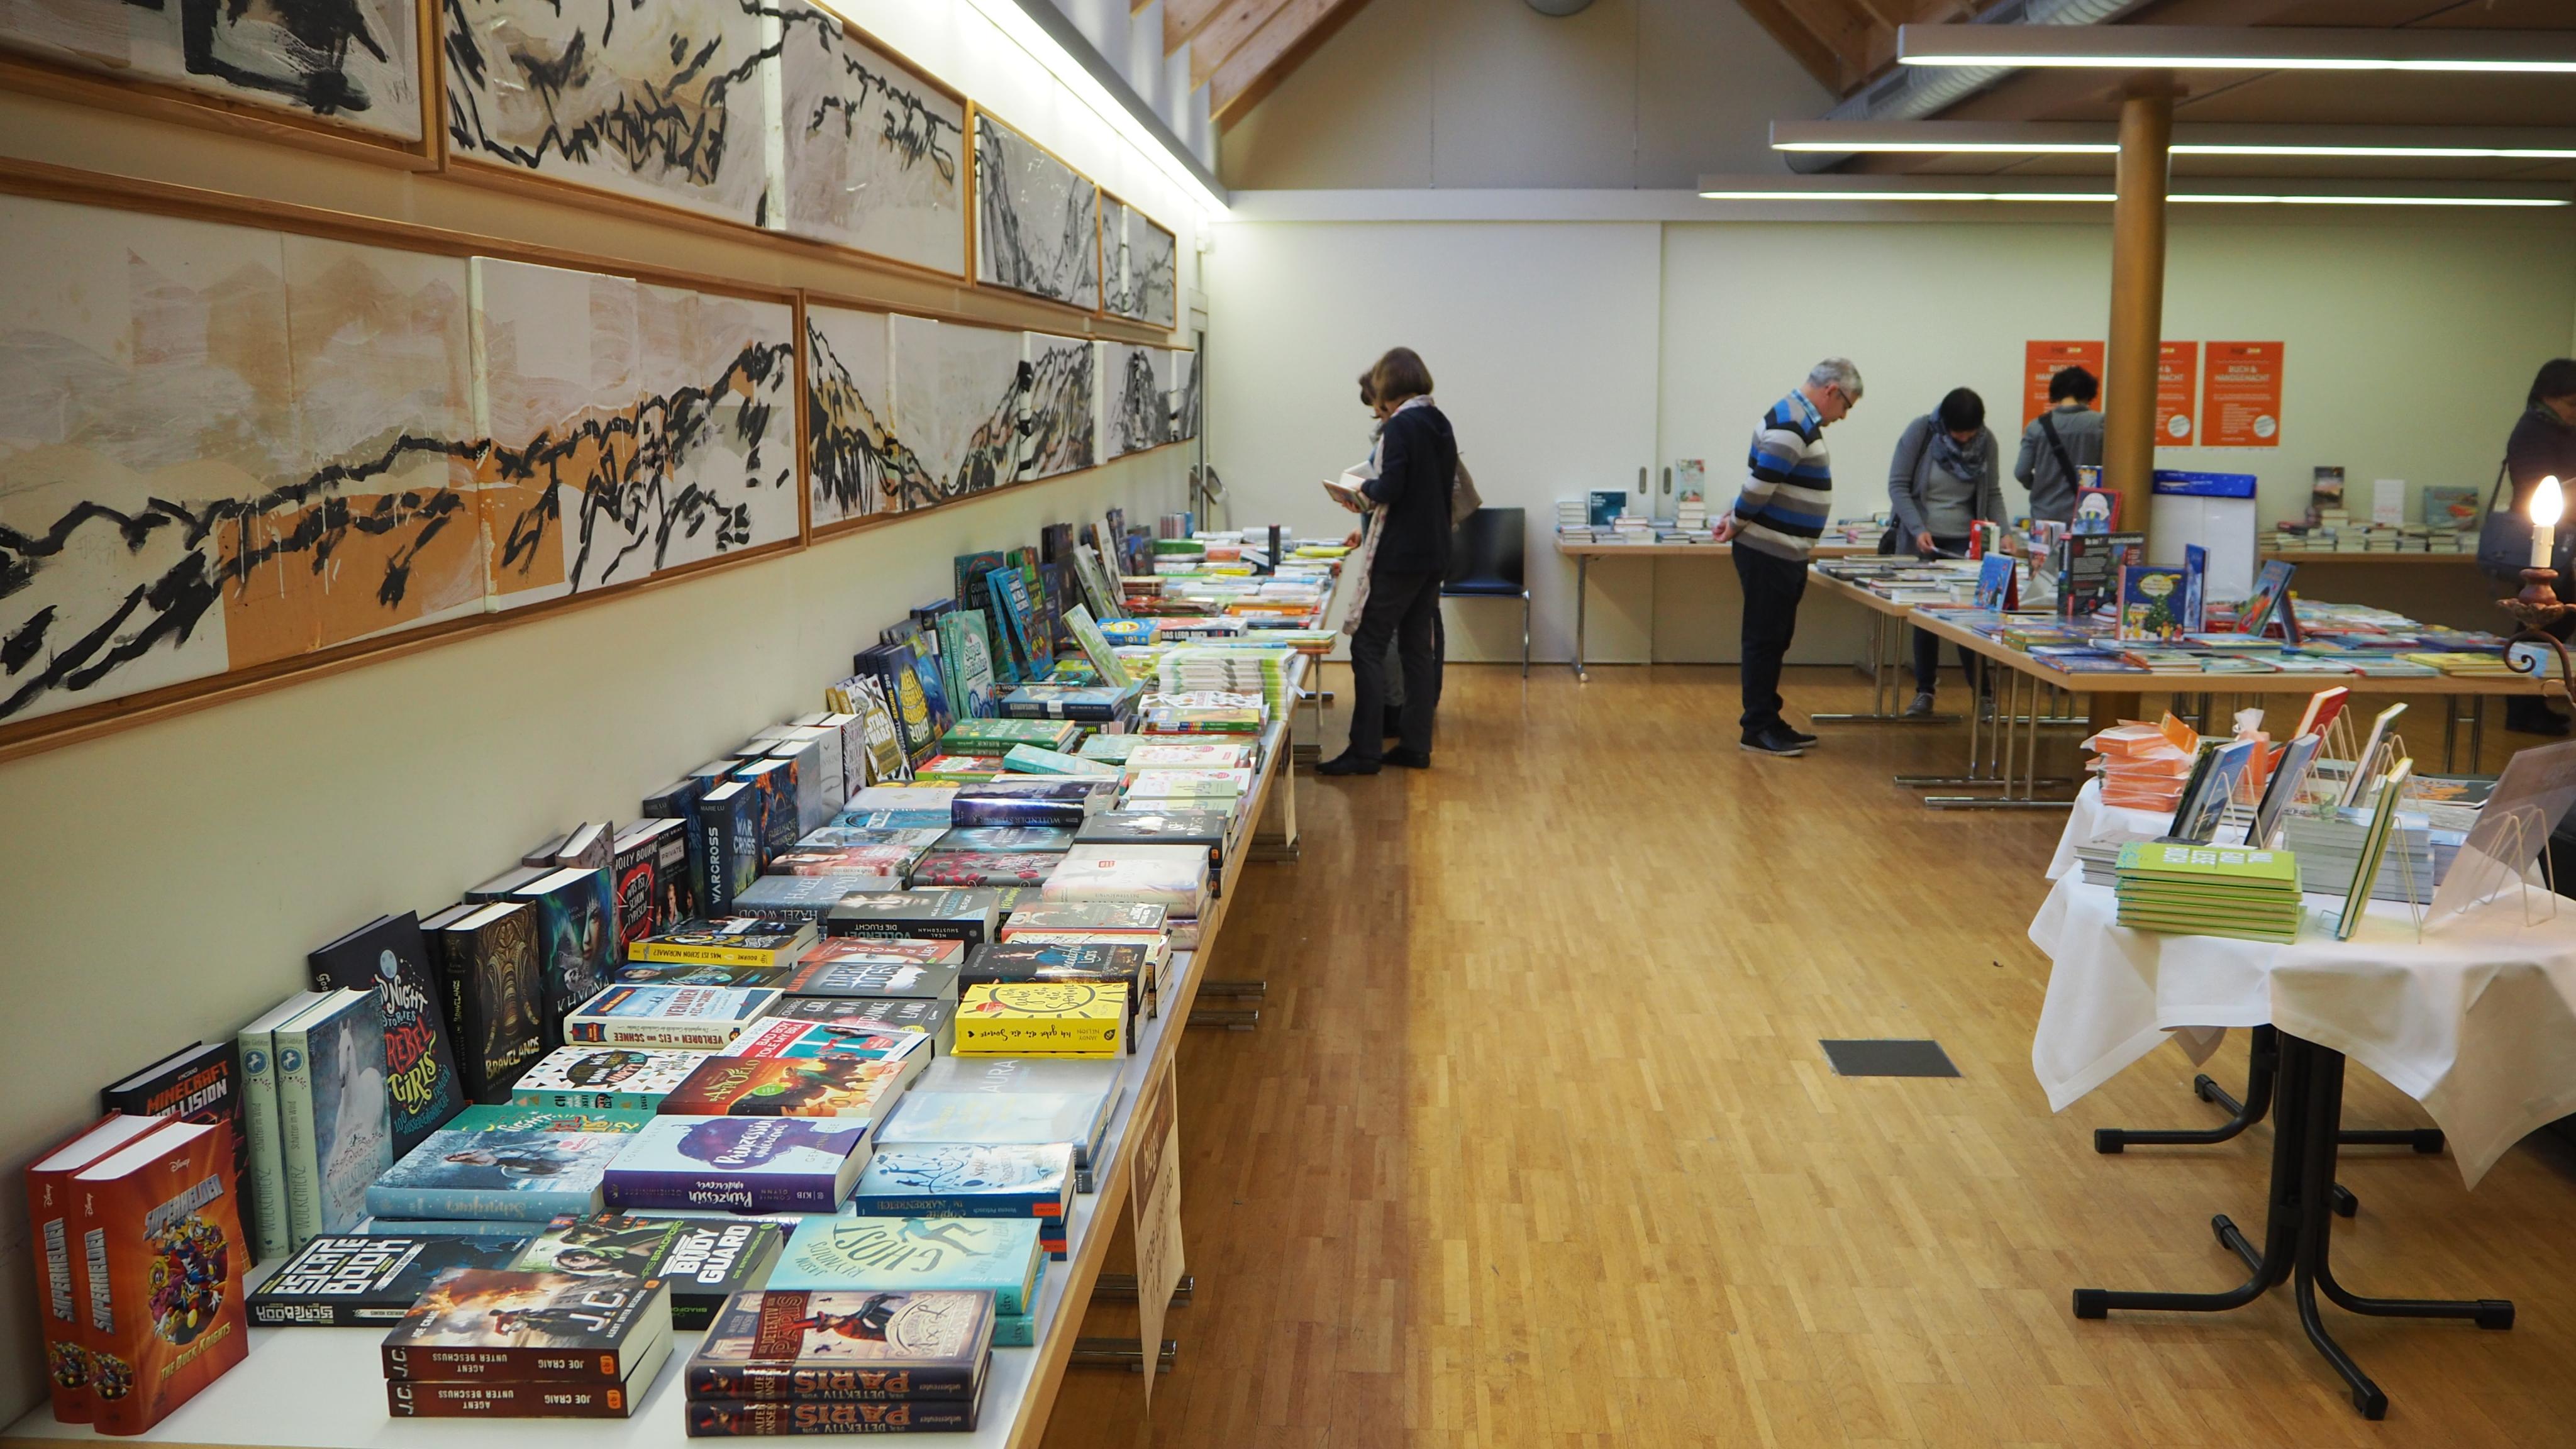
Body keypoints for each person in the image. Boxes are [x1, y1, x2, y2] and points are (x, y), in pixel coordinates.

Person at [1321, 347, 1456, 775]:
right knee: (1417, 649)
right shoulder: (1439, 421)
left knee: (1367, 644)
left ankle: (1365, 751)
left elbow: (1393, 487)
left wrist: (1361, 491)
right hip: (1435, 552)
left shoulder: (1400, 426)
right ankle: (1415, 746)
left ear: (1387, 390)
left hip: (1401, 555)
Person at [1715, 358, 1860, 757]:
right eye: (1846, 405)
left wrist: (1735, 518)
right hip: (1769, 551)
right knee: (1765, 640)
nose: (1843, 415)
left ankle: (1768, 718)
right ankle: (1757, 728)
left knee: (1775, 639)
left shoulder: (1796, 418)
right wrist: (1736, 521)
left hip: (1780, 551)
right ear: (1831, 390)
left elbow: (1762, 481)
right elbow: (1760, 485)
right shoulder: (1793, 424)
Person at [1889, 387, 2002, 716]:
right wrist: (1917, 528)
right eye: (1959, 432)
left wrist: (2006, 533)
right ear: (1945, 424)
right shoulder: (1921, 432)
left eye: (1971, 433)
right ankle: (1924, 692)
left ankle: (1983, 695)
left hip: (1965, 545)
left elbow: (1993, 493)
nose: (1965, 439)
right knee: (1925, 619)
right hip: (1923, 541)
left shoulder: (1987, 442)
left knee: (1970, 619)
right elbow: (1898, 485)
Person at [2485, 358, 2576, 734]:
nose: (2575, 412)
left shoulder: (2559, 429)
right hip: (2547, 542)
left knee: (2549, 625)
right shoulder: (2534, 431)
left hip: (2562, 541)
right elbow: (2536, 489)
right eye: (2571, 403)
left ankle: (2532, 702)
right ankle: (2524, 707)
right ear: (2548, 396)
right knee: (2540, 623)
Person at [2014, 364, 2104, 524]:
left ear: (2056, 393)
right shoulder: (2101, 424)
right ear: (2088, 394)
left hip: (2044, 516)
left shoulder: (2036, 427)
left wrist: (2039, 485)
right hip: (2086, 516)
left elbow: (2021, 472)